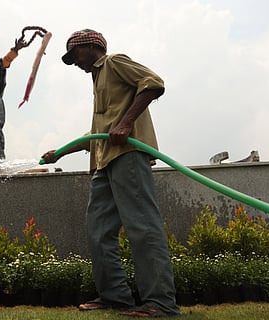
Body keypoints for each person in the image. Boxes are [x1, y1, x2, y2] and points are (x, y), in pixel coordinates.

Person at [41, 29, 180, 317]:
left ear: (93, 47)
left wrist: (127, 123)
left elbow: (153, 83)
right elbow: (97, 134)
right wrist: (59, 153)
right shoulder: (97, 81)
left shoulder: (114, 62)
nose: (74, 62)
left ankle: (161, 303)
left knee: (142, 227)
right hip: (103, 162)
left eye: (75, 54)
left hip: (128, 155)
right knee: (99, 232)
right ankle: (115, 297)